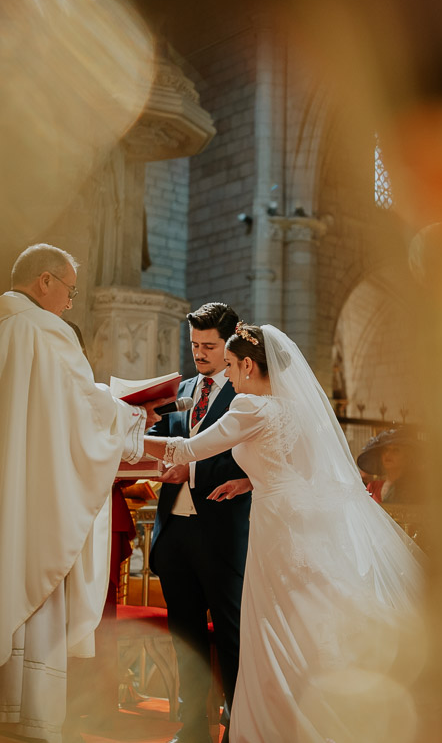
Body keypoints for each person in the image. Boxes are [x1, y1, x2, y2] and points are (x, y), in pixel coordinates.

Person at [0, 243, 166, 743]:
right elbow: (80, 412)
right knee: (24, 571)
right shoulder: (42, 330)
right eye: (68, 290)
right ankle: (17, 709)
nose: (69, 302)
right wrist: (130, 416)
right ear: (45, 281)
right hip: (25, 501)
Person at [143, 325, 425, 743]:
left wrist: (128, 435)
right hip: (301, 517)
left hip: (277, 526)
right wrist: (248, 481)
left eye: (233, 367)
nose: (230, 375)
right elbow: (293, 466)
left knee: (273, 622)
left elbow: (184, 451)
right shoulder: (293, 408)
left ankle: (283, 724)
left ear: (248, 364)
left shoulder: (250, 407)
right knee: (303, 617)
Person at [147, 302, 251, 743]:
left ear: (229, 344)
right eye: (194, 345)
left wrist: (187, 468)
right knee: (185, 639)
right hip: (175, 532)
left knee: (231, 638)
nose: (200, 354)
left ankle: (237, 726)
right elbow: (169, 442)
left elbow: (240, 458)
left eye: (209, 346)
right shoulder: (183, 387)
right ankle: (191, 730)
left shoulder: (247, 393)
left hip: (223, 532)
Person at [356, 426, 423, 504]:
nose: (388, 454)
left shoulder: (415, 488)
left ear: (406, 457)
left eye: (395, 450)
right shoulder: (373, 487)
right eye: (385, 450)